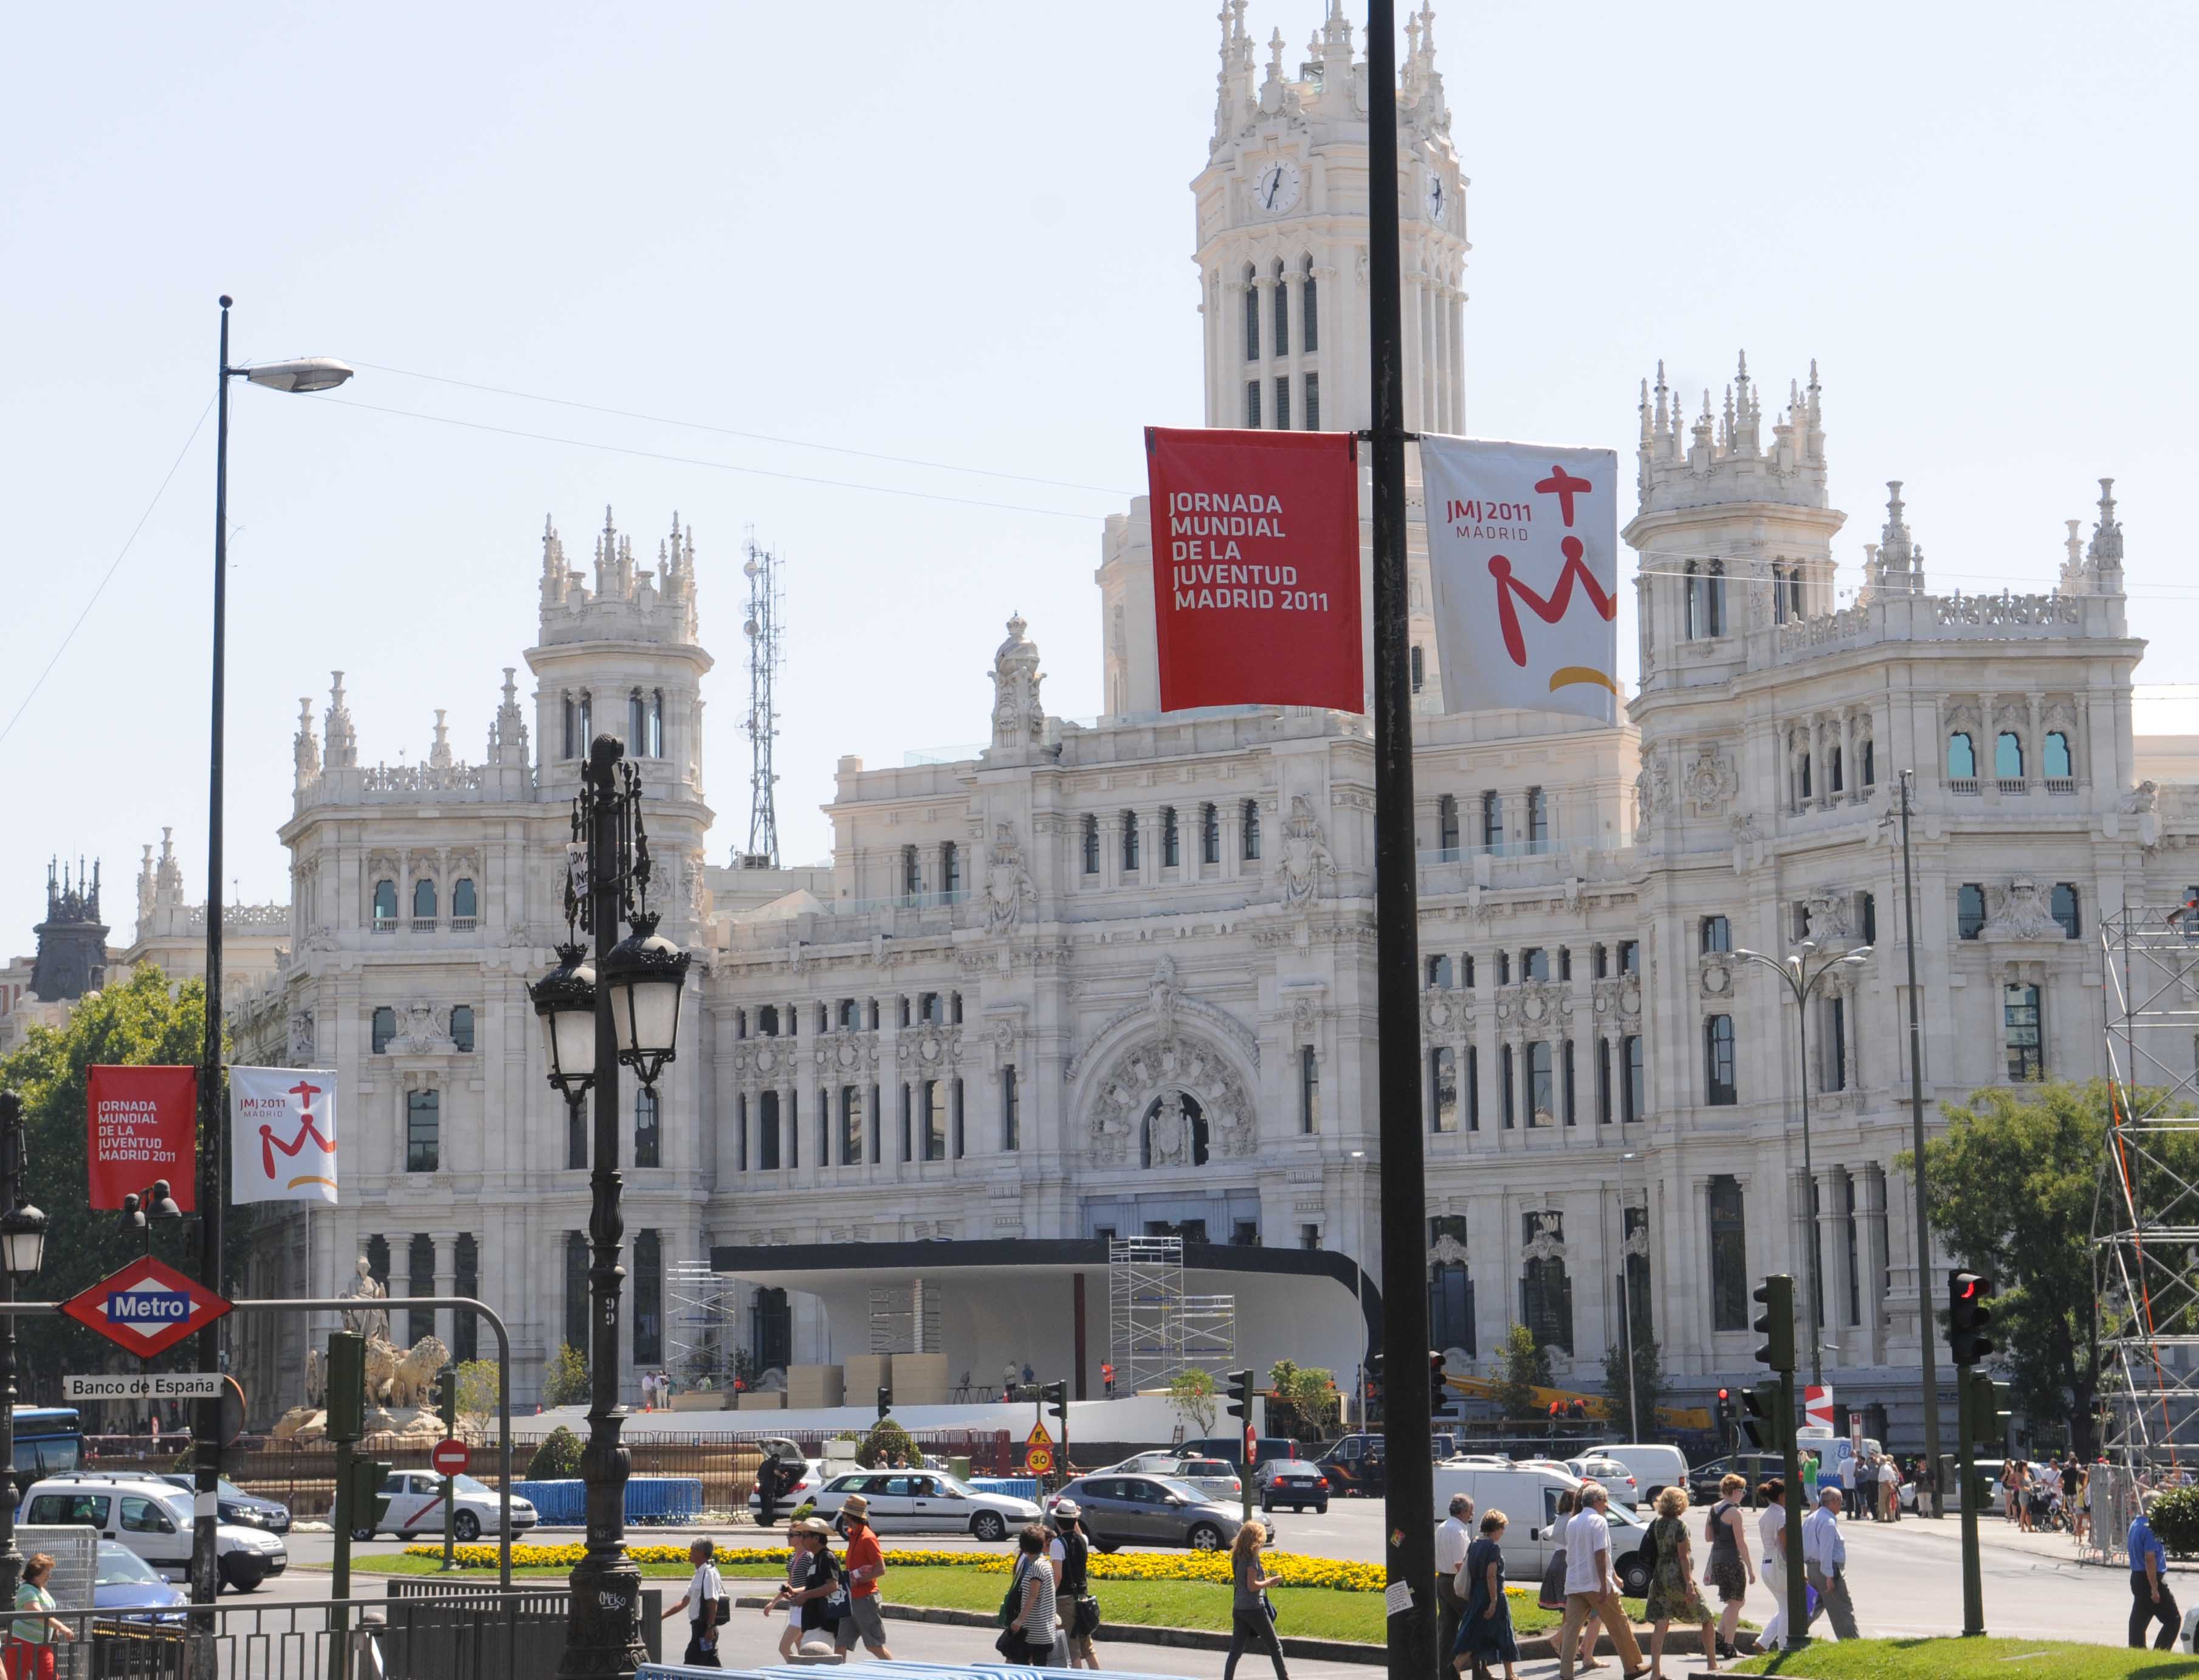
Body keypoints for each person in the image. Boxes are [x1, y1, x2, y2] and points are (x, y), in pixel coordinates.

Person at [1558, 1484, 1647, 1680]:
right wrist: (1605, 1584)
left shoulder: (1573, 1522)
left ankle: (1566, 1673)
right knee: (1619, 1624)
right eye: (1605, 1501)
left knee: (1571, 1630)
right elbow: (1600, 1554)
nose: (1606, 1505)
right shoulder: (1599, 1521)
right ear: (1596, 1501)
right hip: (1595, 1583)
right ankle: (1632, 1667)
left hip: (1575, 1583)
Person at [1643, 1485, 1717, 1679]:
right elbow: (1683, 1557)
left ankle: (1656, 1672)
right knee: (1707, 1617)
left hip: (1660, 1575)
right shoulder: (1680, 1526)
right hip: (1677, 1576)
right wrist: (1689, 1584)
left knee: (1661, 1622)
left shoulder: (1657, 1523)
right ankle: (1712, 1663)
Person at [1453, 1510, 1518, 1680]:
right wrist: (1494, 1601)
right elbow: (1491, 1575)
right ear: (1495, 1528)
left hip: (1476, 1595)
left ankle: (1457, 1666)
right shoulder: (1493, 1547)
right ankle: (1509, 1675)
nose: (1503, 1532)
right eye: (1502, 1528)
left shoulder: (1474, 1543)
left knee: (1474, 1632)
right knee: (1504, 1633)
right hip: (1492, 1595)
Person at [1222, 1519, 1290, 1680]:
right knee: (1275, 1648)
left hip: (1239, 1608)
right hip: (1254, 1609)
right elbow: (1252, 1586)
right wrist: (1270, 1582)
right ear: (1256, 1539)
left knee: (1235, 1652)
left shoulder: (1237, 1556)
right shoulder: (1251, 1558)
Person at [1546, 1490, 1605, 1670]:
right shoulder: (1580, 1520)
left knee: (1573, 1614)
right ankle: (1583, 1652)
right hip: (1576, 1569)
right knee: (1591, 1614)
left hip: (1561, 1563)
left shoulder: (1564, 1519)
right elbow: (1596, 1552)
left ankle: (1571, 1655)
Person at [834, 1494, 893, 1661]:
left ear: (849, 1515)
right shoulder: (854, 1534)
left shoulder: (868, 1538)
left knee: (874, 1646)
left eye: (844, 1513)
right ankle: (838, 1673)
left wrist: (857, 1581)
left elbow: (881, 1569)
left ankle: (898, 1672)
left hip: (865, 1599)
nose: (842, 1515)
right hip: (851, 1598)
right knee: (840, 1644)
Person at [1704, 1473, 1753, 1661]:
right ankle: (1729, 1645)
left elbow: (1709, 1537)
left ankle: (1719, 1636)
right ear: (1735, 1491)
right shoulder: (1735, 1513)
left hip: (1718, 1560)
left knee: (1734, 1602)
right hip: (1733, 1561)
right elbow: (1741, 1544)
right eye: (1743, 1491)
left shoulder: (1714, 1509)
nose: (1743, 1494)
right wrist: (1750, 1568)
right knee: (1736, 1602)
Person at [1801, 1487, 1859, 1640]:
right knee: (1842, 1608)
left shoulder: (1811, 1518)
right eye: (1840, 1500)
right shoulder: (1828, 1522)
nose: (1841, 1504)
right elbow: (1826, 1552)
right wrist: (1829, 1577)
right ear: (1834, 1501)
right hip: (1827, 1570)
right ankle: (1851, 1641)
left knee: (1813, 1607)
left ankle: (1789, 1632)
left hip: (1813, 1569)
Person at [1050, 1499, 1100, 1668]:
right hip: (1082, 1597)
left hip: (1065, 1600)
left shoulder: (1057, 1544)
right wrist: (1075, 1518)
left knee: (1073, 1650)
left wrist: (1049, 1597)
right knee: (1087, 1646)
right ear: (1075, 1520)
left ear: (1057, 1521)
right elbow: (1077, 1533)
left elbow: (1058, 1576)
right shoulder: (1083, 1540)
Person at [6, 1554, 73, 1680]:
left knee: (50, 1677)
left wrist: (54, 1631)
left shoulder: (41, 1589)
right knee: (15, 1677)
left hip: (42, 1644)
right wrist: (62, 1627)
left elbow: (48, 1613)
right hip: (22, 1641)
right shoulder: (26, 1590)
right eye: (48, 1571)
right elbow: (38, 1614)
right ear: (37, 1571)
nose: (50, 1576)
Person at [661, 1538, 724, 1668]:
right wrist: (663, 1615)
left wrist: (710, 1628)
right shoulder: (699, 1574)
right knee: (709, 1666)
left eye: (692, 1550)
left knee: (692, 1663)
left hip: (705, 1628)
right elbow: (685, 1601)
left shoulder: (709, 1573)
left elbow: (712, 1602)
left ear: (700, 1553)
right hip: (699, 1628)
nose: (689, 1553)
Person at [2129, 1494, 2180, 1649]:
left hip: (2137, 1577)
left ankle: (2136, 1649)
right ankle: (2160, 1651)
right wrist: (2154, 1588)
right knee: (2173, 1619)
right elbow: (2150, 1559)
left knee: (2140, 1618)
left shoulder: (2136, 1524)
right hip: (2150, 1578)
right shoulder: (2150, 1528)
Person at [1005, 1524, 1059, 1665]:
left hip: (1034, 1631)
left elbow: (1032, 1597)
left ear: (1023, 1548)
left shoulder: (1036, 1567)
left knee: (1022, 1666)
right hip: (1044, 1629)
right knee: (1038, 1666)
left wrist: (1019, 1620)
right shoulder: (1045, 1564)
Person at [1436, 1492, 1477, 1660]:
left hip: (1442, 1579)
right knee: (1474, 1621)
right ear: (1463, 1511)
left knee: (1447, 1628)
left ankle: (1445, 1668)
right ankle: (1475, 1667)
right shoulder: (1458, 1531)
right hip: (1456, 1582)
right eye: (1471, 1511)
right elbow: (1460, 1565)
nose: (1472, 1515)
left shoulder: (1442, 1527)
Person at [1754, 1480, 1789, 1650]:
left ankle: (1764, 1641)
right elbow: (1786, 1542)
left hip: (1767, 1563)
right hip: (1779, 1565)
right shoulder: (1781, 1515)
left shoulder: (1766, 1515)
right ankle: (1783, 1647)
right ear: (1782, 1495)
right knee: (1787, 1609)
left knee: (1784, 1606)